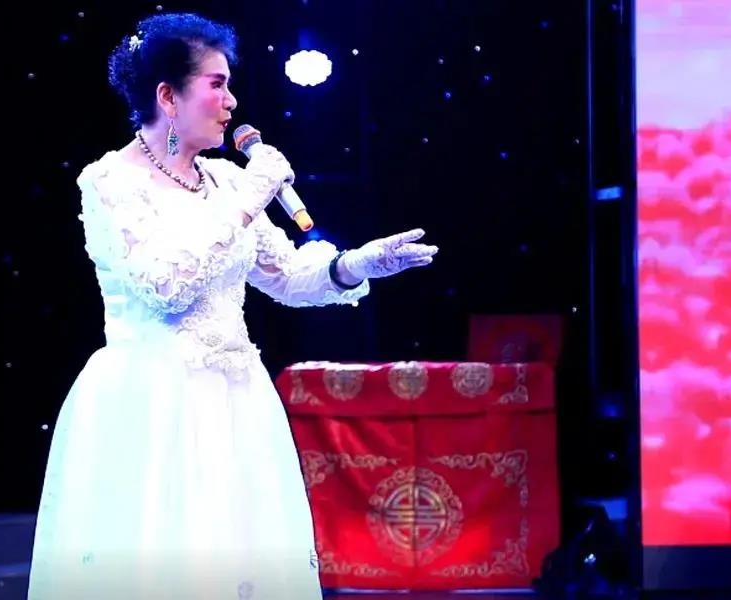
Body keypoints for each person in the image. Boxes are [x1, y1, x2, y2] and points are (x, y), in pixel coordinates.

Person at [26, 11, 438, 599]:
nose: (231, 101)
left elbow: (287, 277)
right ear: (168, 96)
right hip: (154, 403)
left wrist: (355, 265)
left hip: (236, 399)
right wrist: (250, 196)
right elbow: (165, 286)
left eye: (229, 84)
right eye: (216, 84)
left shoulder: (223, 180)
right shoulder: (111, 181)